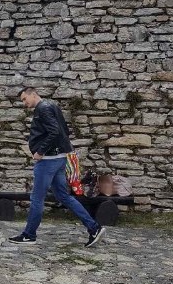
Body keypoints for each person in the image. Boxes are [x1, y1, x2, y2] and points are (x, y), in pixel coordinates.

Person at [8, 87, 105, 247]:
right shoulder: (51, 105)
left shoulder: (43, 108)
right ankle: (94, 228)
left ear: (34, 94)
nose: (24, 103)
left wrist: (40, 151)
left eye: (25, 99)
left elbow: (55, 132)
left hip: (48, 161)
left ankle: (29, 235)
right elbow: (63, 130)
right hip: (59, 159)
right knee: (64, 196)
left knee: (37, 199)